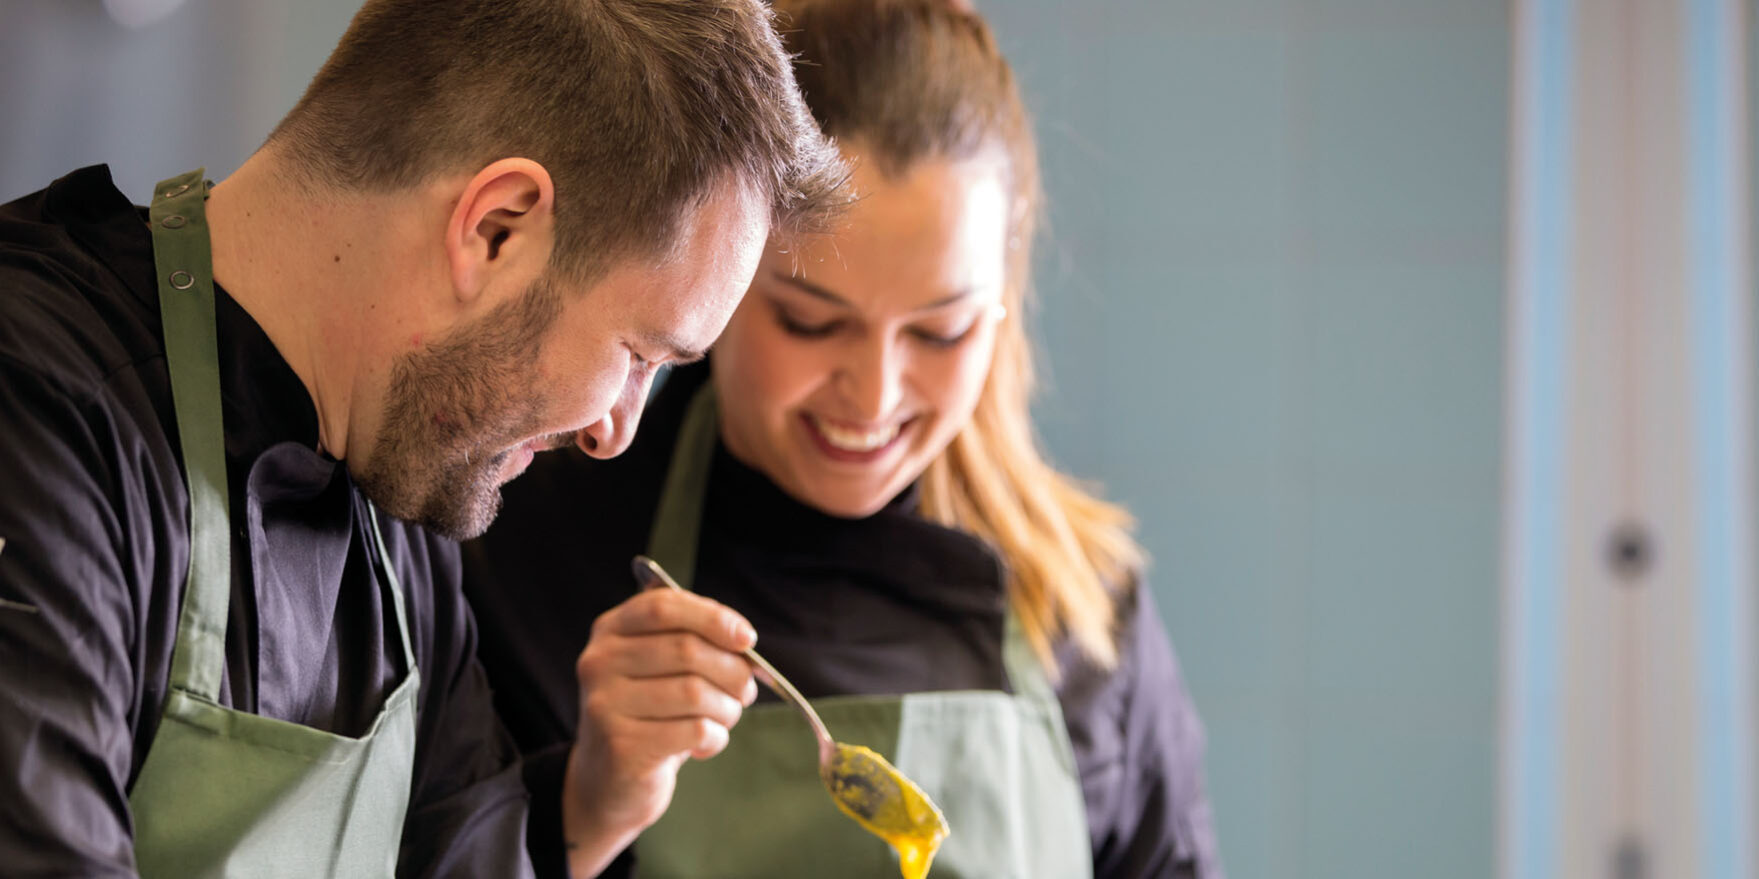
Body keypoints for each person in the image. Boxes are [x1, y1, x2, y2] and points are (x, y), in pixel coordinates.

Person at [0, 0, 845, 875]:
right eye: (637, 353)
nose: (612, 432)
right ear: (495, 227)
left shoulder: (402, 497)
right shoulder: (40, 409)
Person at [461, 0, 1224, 875]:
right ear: (723, 276)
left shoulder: (1083, 611)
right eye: (809, 322)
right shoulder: (525, 550)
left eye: (939, 333)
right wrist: (583, 807)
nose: (873, 396)